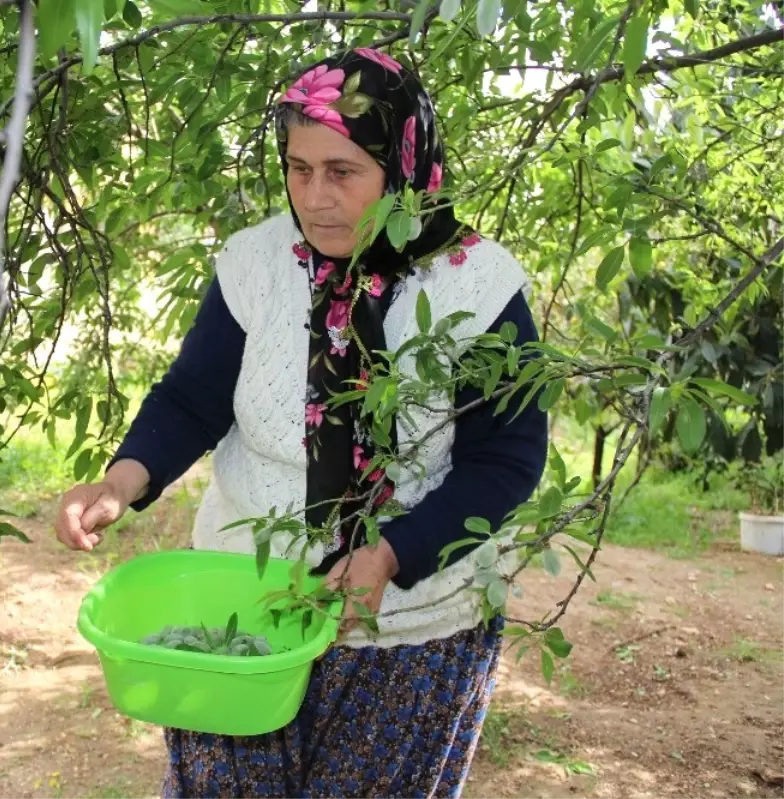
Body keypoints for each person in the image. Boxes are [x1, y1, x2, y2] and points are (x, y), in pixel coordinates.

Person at [54, 48, 548, 798]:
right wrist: (122, 482)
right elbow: (193, 397)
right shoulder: (256, 263)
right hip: (248, 599)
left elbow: (504, 461)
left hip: (411, 621)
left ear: (401, 164)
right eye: (297, 167)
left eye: (343, 171)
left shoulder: (476, 287)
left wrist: (390, 555)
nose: (315, 196)